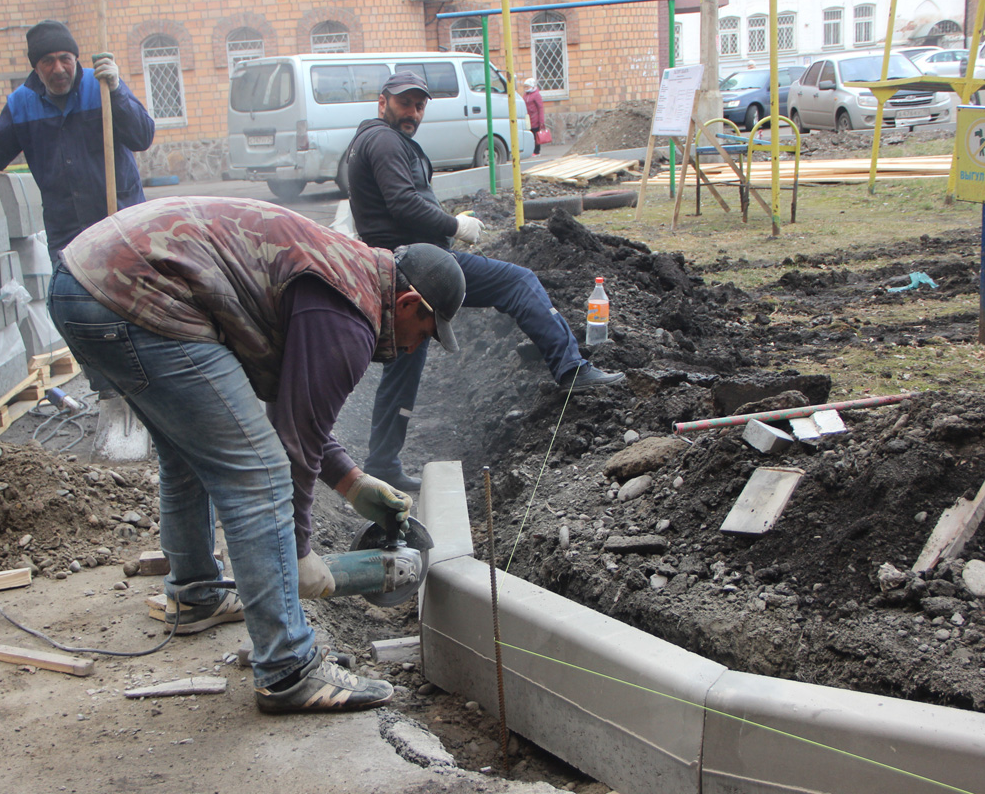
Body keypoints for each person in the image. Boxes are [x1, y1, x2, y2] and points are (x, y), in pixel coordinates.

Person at [48, 195, 466, 713]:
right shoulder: (351, 317)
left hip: (86, 281)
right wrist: (299, 552)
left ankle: (196, 593)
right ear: (407, 305)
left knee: (189, 453)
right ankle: (289, 667)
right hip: (133, 292)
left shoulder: (347, 276)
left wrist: (353, 483)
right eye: (423, 335)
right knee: (259, 473)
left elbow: (292, 413)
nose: (414, 348)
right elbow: (291, 446)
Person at [347, 71, 624, 491]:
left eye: (420, 105)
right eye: (405, 103)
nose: (414, 113)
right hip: (419, 265)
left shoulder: (373, 141)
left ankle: (382, 462)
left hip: (395, 269)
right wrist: (454, 224)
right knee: (517, 282)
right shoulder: (383, 140)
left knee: (406, 361)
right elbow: (402, 203)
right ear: (382, 102)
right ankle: (570, 369)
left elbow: (400, 201)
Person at [0, 19, 155, 267]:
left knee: (128, 298)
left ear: (76, 59)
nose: (58, 68)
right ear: (36, 69)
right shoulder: (22, 105)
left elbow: (142, 137)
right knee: (72, 301)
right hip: (68, 230)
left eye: (65, 58)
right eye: (48, 61)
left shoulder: (102, 86)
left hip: (121, 220)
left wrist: (117, 92)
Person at [524, 77, 545, 156]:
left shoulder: (536, 95)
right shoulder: (525, 95)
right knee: (530, 135)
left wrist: (541, 121)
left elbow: (540, 108)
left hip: (535, 118)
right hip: (528, 119)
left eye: (528, 86)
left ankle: (537, 151)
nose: (526, 88)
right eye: (525, 87)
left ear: (532, 86)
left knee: (536, 135)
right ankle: (531, 150)